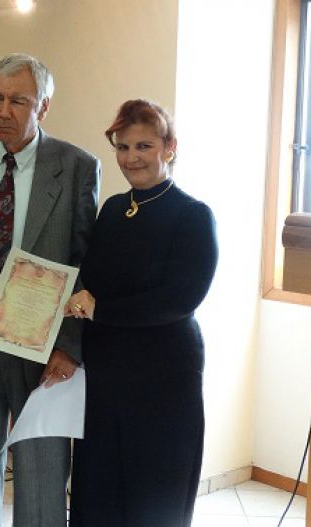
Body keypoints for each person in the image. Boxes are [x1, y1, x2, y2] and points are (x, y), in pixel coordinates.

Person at [0, 53, 100, 526]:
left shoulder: (76, 166)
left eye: (18, 101)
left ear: (43, 107)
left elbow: (86, 263)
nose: (3, 111)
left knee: (43, 477)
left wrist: (70, 347)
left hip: (44, 350)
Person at [66, 99, 218, 527]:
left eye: (144, 146)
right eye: (123, 147)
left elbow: (180, 299)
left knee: (154, 496)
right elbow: (91, 279)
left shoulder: (193, 215)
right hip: (106, 375)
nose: (131, 158)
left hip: (163, 378)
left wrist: (100, 310)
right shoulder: (113, 209)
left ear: (169, 147)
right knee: (99, 492)